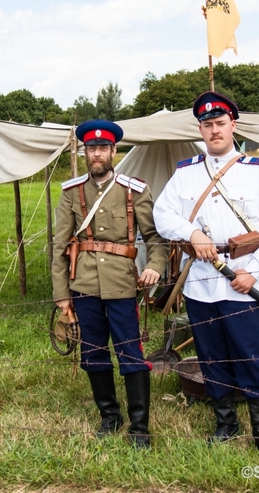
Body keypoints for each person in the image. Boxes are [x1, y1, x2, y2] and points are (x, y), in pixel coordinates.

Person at [153, 91, 259, 460]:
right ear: (200, 129)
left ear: (234, 126)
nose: (214, 130)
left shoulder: (256, 173)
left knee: (251, 357)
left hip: (242, 280)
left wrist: (254, 271)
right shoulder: (185, 173)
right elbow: (162, 215)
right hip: (200, 281)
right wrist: (191, 233)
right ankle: (225, 425)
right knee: (211, 357)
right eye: (207, 125)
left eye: (220, 123)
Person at [52, 119, 168, 449]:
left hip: (121, 284)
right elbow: (60, 246)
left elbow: (156, 238)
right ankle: (109, 416)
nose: (97, 154)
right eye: (92, 149)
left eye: (103, 148)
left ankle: (140, 426)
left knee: (131, 352)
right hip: (84, 284)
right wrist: (62, 295)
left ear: (114, 150)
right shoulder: (72, 192)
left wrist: (156, 267)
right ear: (85, 152)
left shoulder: (134, 189)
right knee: (93, 353)